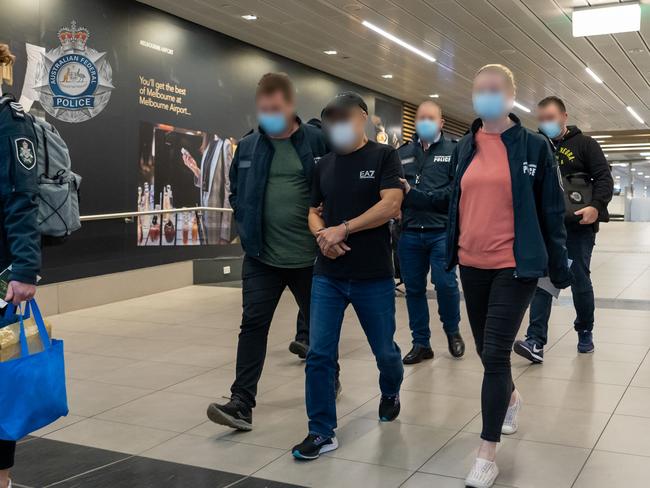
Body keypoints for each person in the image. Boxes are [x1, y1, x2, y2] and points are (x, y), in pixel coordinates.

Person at [446, 65, 571, 487]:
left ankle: (486, 451)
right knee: (485, 349)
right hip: (471, 262)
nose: (486, 96)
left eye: (495, 89)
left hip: (513, 265)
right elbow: (455, 201)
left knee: (496, 354)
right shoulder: (465, 146)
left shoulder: (533, 146)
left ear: (511, 95)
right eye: (480, 90)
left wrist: (560, 265)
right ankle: (512, 397)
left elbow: (551, 209)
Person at [206, 73, 329, 431]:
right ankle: (242, 402)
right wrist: (245, 222)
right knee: (253, 325)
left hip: (311, 258)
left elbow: (337, 183)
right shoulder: (248, 146)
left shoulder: (318, 141)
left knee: (320, 331)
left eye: (275, 109)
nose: (268, 116)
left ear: (291, 106)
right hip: (262, 257)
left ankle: (329, 375)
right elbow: (235, 192)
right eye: (263, 110)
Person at [292, 92, 404, 460]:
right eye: (330, 120)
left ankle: (390, 391)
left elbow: (390, 204)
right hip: (328, 274)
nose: (336, 126)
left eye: (343, 118)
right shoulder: (323, 164)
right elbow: (312, 211)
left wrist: (343, 229)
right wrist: (322, 235)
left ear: (362, 118)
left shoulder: (383, 156)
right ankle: (321, 430)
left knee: (385, 352)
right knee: (320, 353)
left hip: (372, 274)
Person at [514, 96, 613, 362]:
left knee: (579, 279)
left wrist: (595, 206)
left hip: (578, 227)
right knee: (543, 281)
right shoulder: (534, 145)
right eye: (542, 118)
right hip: (546, 228)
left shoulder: (586, 145)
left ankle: (584, 330)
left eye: (551, 117)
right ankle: (535, 340)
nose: (546, 123)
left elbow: (604, 178)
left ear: (564, 116)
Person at [0, 43, 42, 488]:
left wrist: (25, 270)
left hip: (0, 273)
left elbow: (21, 200)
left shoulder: (11, 122)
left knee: (1, 380)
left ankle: (2, 479)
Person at [397, 100, 465, 363]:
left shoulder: (454, 151)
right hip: (410, 232)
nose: (424, 121)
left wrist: (415, 196)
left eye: (430, 117)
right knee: (414, 289)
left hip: (441, 231)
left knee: (446, 284)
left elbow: (453, 194)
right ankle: (421, 343)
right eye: (420, 117)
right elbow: (394, 190)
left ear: (441, 122)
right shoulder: (402, 152)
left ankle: (452, 331)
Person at [181, 132, 234, 244]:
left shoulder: (226, 144)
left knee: (215, 258)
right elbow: (208, 184)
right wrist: (195, 168)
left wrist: (225, 234)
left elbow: (229, 189)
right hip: (204, 213)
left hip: (216, 218)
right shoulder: (208, 144)